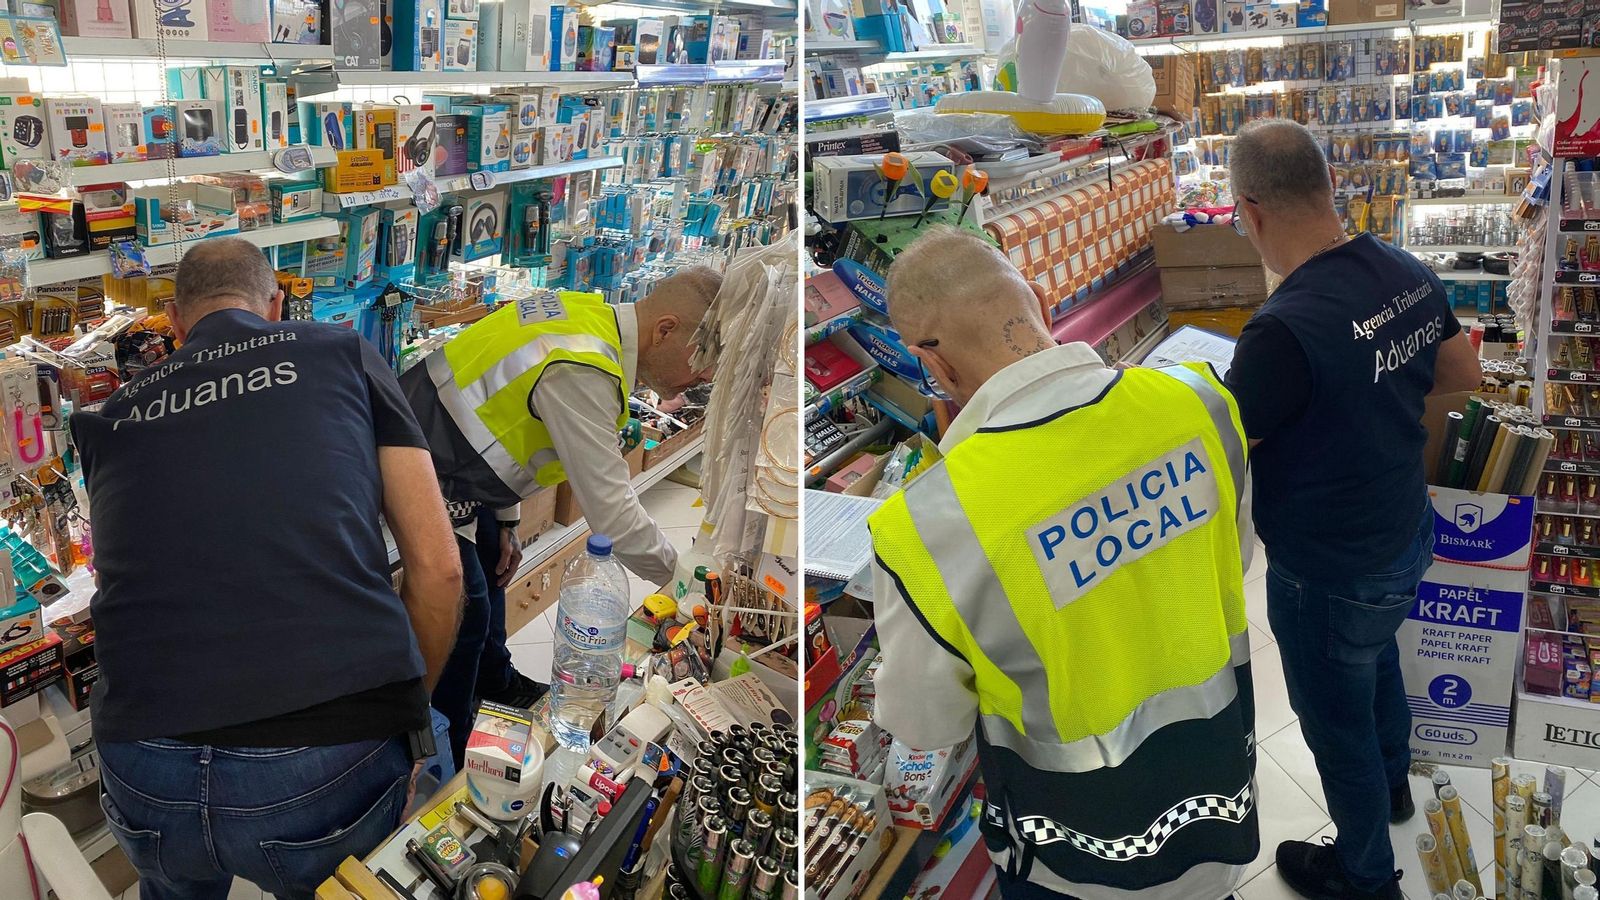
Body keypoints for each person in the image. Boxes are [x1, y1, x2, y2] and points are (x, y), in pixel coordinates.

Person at [868, 226, 1259, 900]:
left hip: (1077, 857)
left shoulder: (927, 525)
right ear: (1041, 305)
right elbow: (1237, 553)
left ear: (934, 364)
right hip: (1220, 806)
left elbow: (925, 724)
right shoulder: (1199, 404)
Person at [70, 237, 463, 900]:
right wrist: (406, 712)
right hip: (321, 757)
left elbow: (136, 574)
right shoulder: (341, 352)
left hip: (142, 762)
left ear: (172, 320)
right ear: (276, 304)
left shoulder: (110, 415)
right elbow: (439, 569)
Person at [1224, 120, 1482, 900]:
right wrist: (1366, 399)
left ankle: (1365, 878)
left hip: (1326, 569)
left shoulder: (1279, 331)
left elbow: (1230, 454)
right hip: (1405, 530)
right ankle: (1397, 785)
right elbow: (1459, 373)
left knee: (1335, 727)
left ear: (1251, 210)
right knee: (1375, 666)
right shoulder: (1400, 268)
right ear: (1330, 187)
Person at [400, 268, 721, 761]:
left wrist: (506, 518)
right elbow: (614, 517)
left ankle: (499, 688)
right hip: (423, 475)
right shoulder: (583, 369)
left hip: (448, 457)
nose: (701, 378)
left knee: (492, 587)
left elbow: (494, 411)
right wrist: (692, 590)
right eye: (702, 362)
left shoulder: (586, 311)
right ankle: (456, 750)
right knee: (464, 618)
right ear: (665, 329)